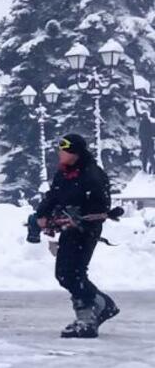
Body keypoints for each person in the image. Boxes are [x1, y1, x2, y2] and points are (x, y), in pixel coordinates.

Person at [35, 133, 120, 338]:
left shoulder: (92, 174)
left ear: (75, 152)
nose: (60, 153)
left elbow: (101, 204)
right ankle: (97, 307)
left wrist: (80, 218)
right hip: (68, 229)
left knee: (73, 273)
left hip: (85, 231)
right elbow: (53, 196)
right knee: (65, 274)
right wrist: (42, 215)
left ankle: (90, 314)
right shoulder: (64, 174)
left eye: (64, 150)